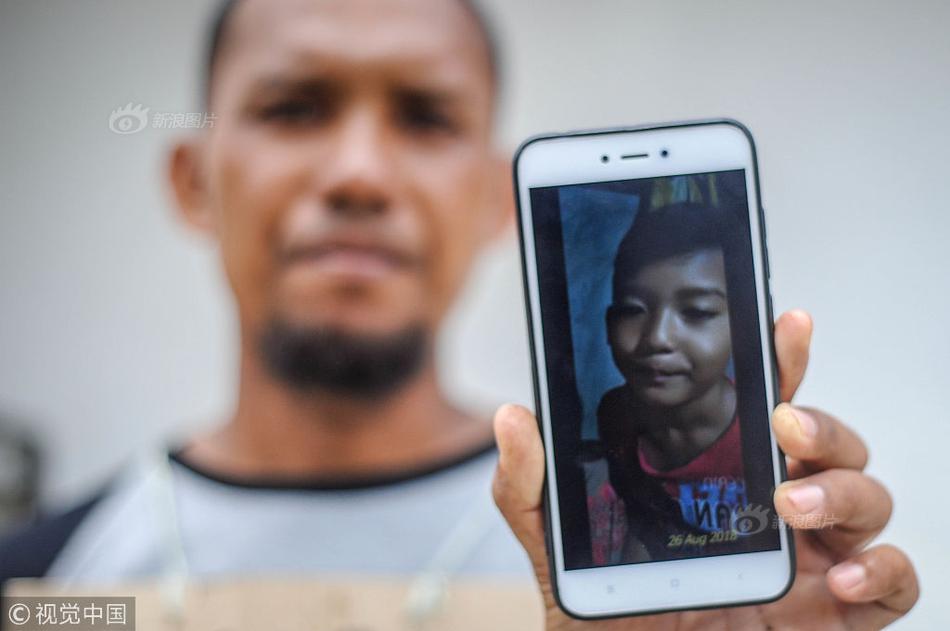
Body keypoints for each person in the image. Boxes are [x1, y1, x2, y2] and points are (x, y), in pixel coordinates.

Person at [1, 1, 919, 629]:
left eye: (425, 118)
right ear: (193, 180)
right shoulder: (41, 582)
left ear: (491, 201)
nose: (359, 172)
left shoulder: (609, 550)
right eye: (294, 108)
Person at [593, 201, 744, 564]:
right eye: (633, 310)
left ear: (741, 328)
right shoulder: (615, 414)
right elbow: (644, 521)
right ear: (610, 325)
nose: (657, 338)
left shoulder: (758, 440)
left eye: (697, 312)